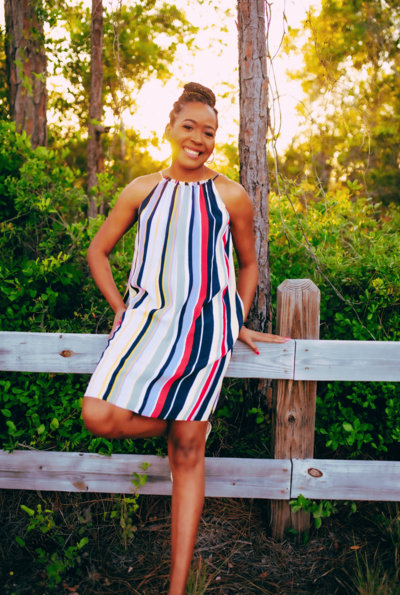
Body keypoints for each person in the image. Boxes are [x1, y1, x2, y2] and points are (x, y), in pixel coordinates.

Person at [82, 82, 290, 595]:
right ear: (170, 129)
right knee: (99, 416)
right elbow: (97, 252)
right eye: (190, 127)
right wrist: (121, 308)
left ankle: (177, 588)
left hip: (205, 331)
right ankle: (181, 417)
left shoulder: (231, 195)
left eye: (210, 132)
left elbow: (247, 266)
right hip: (145, 325)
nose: (199, 139)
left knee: (188, 450)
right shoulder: (141, 189)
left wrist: (235, 317)